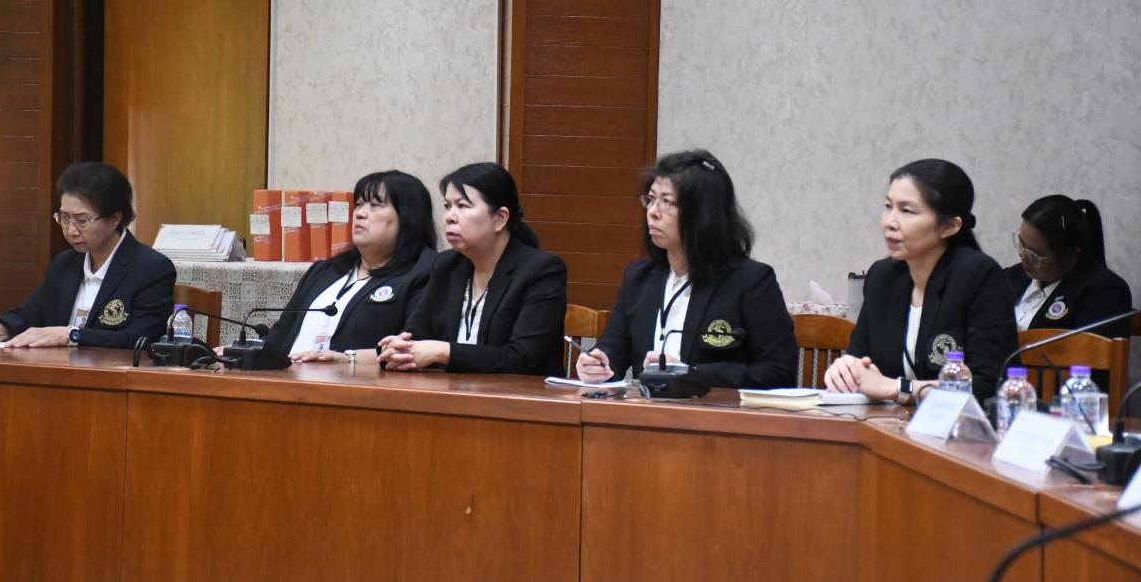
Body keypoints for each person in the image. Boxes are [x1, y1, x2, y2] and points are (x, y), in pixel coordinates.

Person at [575, 150, 797, 389]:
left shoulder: (751, 281)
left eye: (668, 202)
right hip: (645, 409)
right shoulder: (639, 277)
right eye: (651, 199)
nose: (652, 211)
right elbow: (614, 347)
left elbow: (778, 372)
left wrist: (691, 374)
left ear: (703, 213)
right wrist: (599, 363)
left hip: (712, 411)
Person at [824, 159, 1016, 404]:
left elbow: (987, 386)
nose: (890, 222)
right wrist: (846, 372)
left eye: (907, 211)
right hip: (888, 422)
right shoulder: (882, 277)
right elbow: (861, 362)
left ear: (949, 226)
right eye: (888, 206)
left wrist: (898, 388)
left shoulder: (979, 276)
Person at [378, 162, 566, 375]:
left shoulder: (542, 270)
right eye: (447, 206)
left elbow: (521, 359)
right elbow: (415, 335)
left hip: (520, 394)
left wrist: (443, 352)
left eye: (463, 206)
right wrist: (398, 349)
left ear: (500, 218)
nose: (449, 217)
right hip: (451, 391)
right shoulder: (447, 265)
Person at [0, 162, 175, 348]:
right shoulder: (66, 263)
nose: (71, 230)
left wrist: (71, 335)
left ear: (115, 219)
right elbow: (29, 314)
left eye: (82, 220)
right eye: (64, 218)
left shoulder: (151, 268)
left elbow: (140, 338)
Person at [260, 170, 437, 364]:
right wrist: (249, 354)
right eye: (359, 204)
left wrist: (345, 359)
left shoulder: (425, 272)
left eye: (375, 205)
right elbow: (280, 334)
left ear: (408, 216)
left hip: (358, 381)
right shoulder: (325, 270)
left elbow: (411, 350)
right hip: (286, 378)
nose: (360, 213)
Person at [1005, 196, 1132, 385]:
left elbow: (1089, 373)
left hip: (1055, 396)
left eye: (1035, 255)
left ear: (1071, 256)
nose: (1023, 256)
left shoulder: (1104, 292)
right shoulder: (1011, 277)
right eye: (1021, 244)